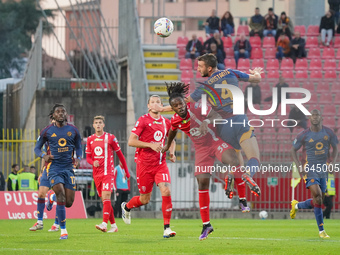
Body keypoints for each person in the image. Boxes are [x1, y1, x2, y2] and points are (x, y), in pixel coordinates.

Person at [162, 82, 250, 241]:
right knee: (202, 183)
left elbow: (216, 116)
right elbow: (171, 133)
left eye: (181, 103)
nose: (179, 107)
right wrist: (167, 147)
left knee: (233, 161)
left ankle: (242, 200)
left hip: (215, 141)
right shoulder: (175, 120)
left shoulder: (197, 107)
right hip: (201, 150)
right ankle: (206, 225)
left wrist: (206, 122)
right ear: (173, 108)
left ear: (185, 102)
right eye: (175, 105)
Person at [121, 95, 177, 238]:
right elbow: (131, 141)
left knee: (166, 190)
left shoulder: (166, 122)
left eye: (158, 102)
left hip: (160, 164)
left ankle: (167, 228)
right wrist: (150, 145)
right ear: (148, 106)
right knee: (144, 199)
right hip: (144, 165)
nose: (156, 104)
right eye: (153, 102)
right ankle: (127, 207)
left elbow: (172, 140)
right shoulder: (143, 120)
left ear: (161, 105)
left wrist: (171, 152)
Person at [34, 103, 82, 240]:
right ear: (53, 115)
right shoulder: (47, 131)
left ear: (66, 114)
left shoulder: (73, 130)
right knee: (60, 194)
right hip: (54, 168)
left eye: (63, 111)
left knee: (68, 202)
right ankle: (63, 230)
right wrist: (44, 156)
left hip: (68, 168)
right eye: (58, 112)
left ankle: (51, 197)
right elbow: (37, 148)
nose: (61, 113)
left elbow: (79, 147)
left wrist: (78, 158)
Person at [290, 109, 338, 238]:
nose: (315, 117)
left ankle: (297, 205)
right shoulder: (304, 134)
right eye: (313, 115)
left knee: (319, 199)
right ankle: (321, 231)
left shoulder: (329, 132)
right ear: (310, 119)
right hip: (309, 168)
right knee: (316, 194)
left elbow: (336, 148)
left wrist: (333, 163)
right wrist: (299, 166)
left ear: (321, 118)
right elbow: (293, 150)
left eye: (317, 115)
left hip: (323, 169)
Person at [86, 115, 130, 233]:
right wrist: (92, 162)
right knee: (105, 201)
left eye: (100, 122)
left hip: (108, 172)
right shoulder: (90, 139)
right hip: (97, 174)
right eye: (96, 122)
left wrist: (126, 171)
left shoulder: (110, 138)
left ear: (103, 125)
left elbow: (120, 155)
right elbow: (88, 157)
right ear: (93, 125)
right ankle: (114, 226)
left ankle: (104, 224)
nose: (98, 124)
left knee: (106, 197)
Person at [30, 114, 60, 232]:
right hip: (48, 169)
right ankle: (39, 221)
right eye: (53, 119)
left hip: (60, 169)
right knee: (41, 193)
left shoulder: (67, 134)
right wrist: (42, 170)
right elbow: (44, 154)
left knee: (60, 196)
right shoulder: (46, 134)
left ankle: (56, 224)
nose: (54, 121)